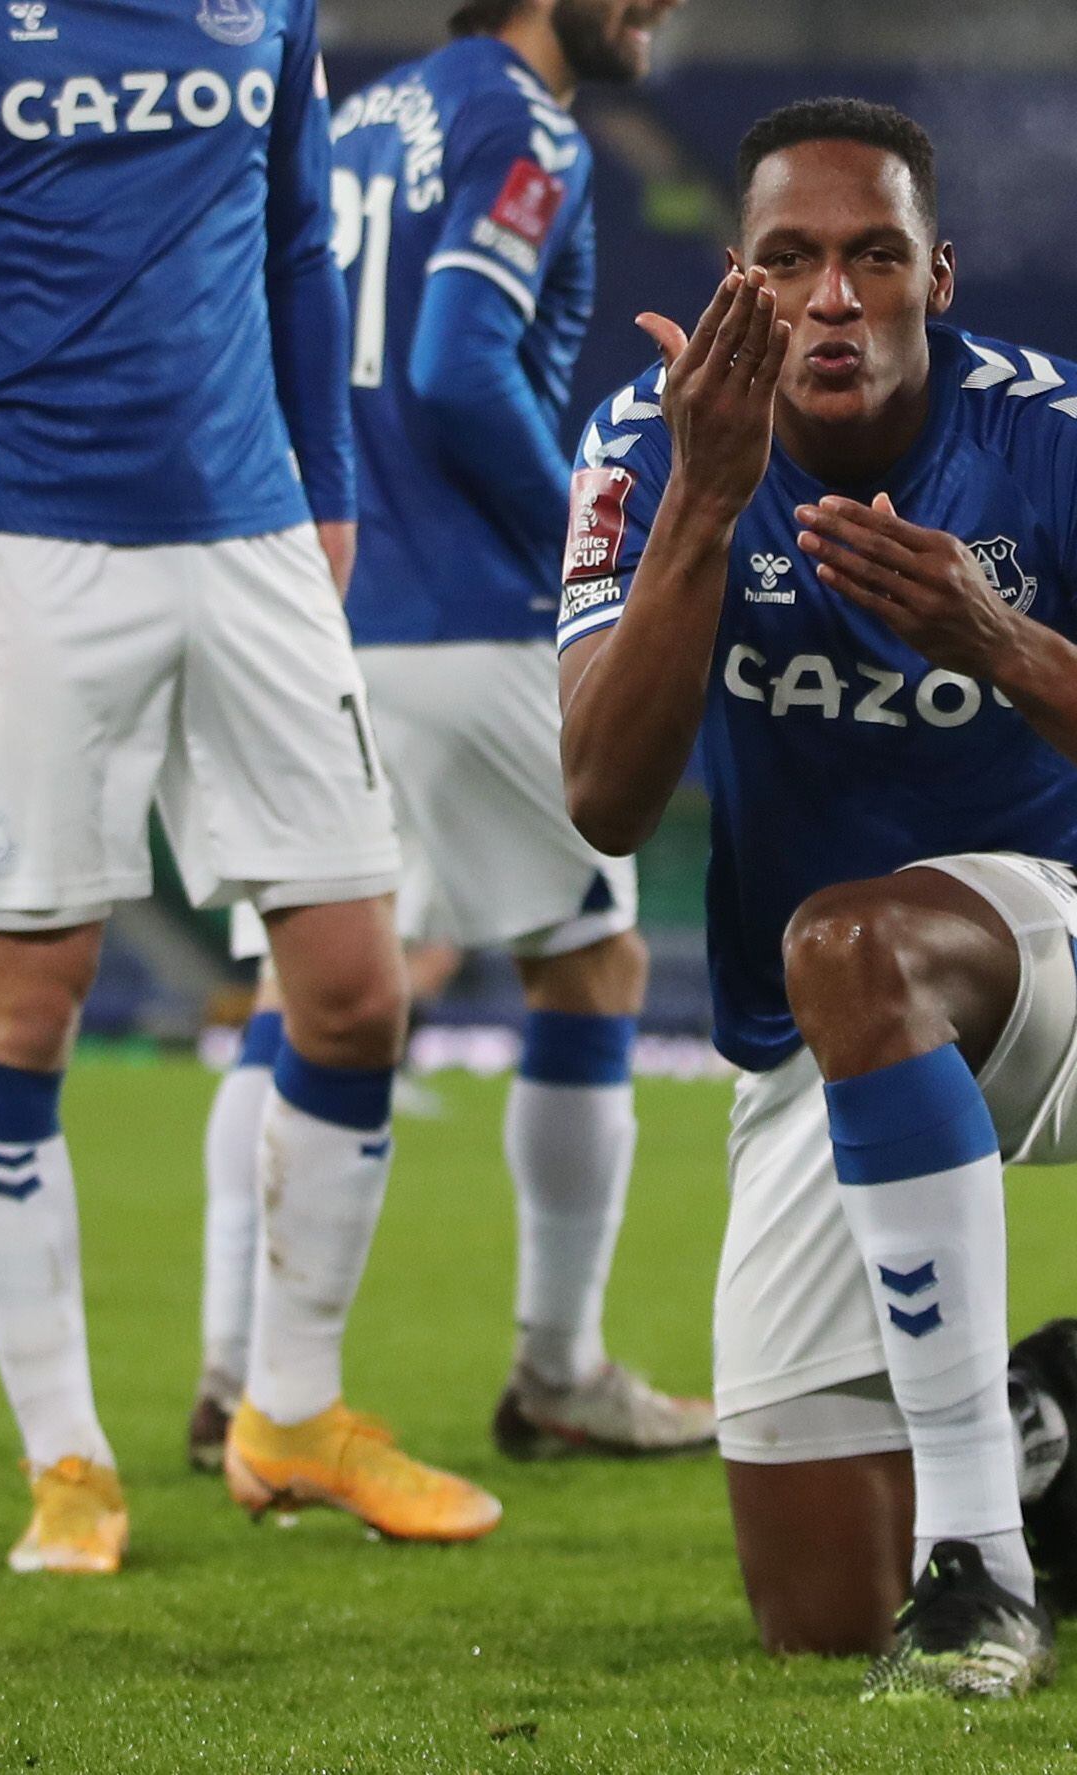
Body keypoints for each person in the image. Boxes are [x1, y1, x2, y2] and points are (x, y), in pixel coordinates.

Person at [557, 99, 1077, 1697]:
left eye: (874, 257)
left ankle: (981, 1569)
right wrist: (704, 498)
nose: (834, 297)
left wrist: (1006, 643)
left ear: (935, 278)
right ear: (737, 283)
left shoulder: (1063, 432)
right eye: (791, 261)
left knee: (852, 932)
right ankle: (1029, 1422)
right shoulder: (643, 446)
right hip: (824, 1035)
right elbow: (604, 799)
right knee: (815, 1607)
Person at [0, 0, 498, 1574]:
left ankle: (292, 1410)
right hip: (30, 544)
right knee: (28, 995)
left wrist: (324, 481)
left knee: (353, 989)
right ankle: (68, 1457)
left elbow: (296, 232)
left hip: (252, 534)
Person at [182, 0, 710, 1473]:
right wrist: (595, 561)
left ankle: (237, 1375)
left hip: (319, 606)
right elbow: (456, 365)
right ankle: (558, 1369)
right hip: (470, 617)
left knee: (309, 987)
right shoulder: (522, 125)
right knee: (589, 961)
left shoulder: (355, 119)